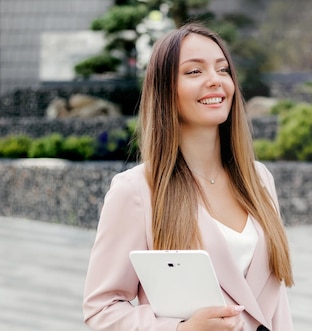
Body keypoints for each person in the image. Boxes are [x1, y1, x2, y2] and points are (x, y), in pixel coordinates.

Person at [82, 23, 294, 331]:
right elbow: (101, 309)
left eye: (223, 70)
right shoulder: (137, 190)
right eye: (194, 72)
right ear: (166, 89)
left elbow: (277, 307)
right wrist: (181, 329)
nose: (215, 81)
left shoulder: (259, 179)